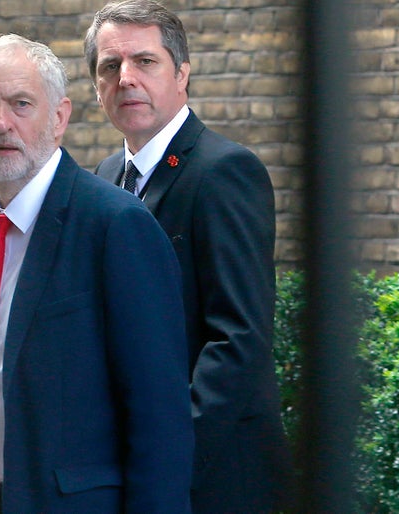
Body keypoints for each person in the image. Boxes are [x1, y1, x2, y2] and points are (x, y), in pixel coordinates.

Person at [0, 33, 194, 514]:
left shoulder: (115, 225)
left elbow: (160, 420)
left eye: (21, 104)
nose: (1, 123)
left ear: (60, 116)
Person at [85, 1, 294, 512]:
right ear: (95, 86)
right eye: (110, 66)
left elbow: (239, 338)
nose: (126, 78)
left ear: (182, 74)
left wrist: (167, 454)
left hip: (214, 473)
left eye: (145, 61)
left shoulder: (225, 171)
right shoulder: (105, 176)